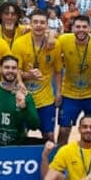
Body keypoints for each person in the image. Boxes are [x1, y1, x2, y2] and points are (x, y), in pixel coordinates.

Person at [57, 15, 91, 144]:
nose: (81, 30)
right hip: (70, 94)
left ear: (90, 28)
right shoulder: (63, 40)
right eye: (77, 27)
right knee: (64, 130)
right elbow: (49, 42)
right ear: (72, 28)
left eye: (84, 27)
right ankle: (59, 156)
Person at [11, 9, 62, 141]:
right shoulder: (19, 43)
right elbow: (14, 70)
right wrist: (23, 80)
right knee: (20, 136)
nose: (38, 25)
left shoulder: (55, 44)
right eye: (35, 22)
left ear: (47, 25)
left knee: (49, 136)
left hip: (46, 99)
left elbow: (57, 71)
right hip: (24, 98)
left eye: (42, 22)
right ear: (30, 24)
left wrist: (58, 93)